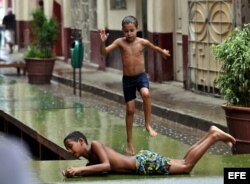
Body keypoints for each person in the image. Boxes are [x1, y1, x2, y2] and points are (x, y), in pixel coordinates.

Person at [99, 15, 171, 155]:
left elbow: (154, 47)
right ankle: (129, 142)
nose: (129, 33)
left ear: (137, 29)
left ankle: (148, 124)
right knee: (130, 109)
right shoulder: (120, 42)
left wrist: (163, 52)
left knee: (146, 93)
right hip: (128, 80)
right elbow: (104, 52)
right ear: (122, 30)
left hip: (141, 76)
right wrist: (102, 42)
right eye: (126, 31)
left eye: (132, 30)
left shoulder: (142, 42)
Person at [62, 125, 235, 177]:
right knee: (183, 161)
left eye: (70, 146)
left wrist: (80, 169)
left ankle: (213, 137)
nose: (70, 151)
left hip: (142, 163)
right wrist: (77, 172)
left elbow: (106, 164)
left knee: (186, 166)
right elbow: (102, 169)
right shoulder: (91, 161)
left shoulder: (95, 145)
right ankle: (211, 133)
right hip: (142, 162)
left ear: (81, 141)